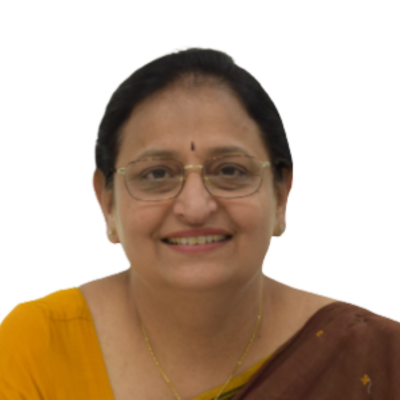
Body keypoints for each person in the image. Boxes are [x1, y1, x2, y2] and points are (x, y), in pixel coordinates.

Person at [0, 48, 399, 400]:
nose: (194, 208)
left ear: (280, 196)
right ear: (107, 203)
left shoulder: (377, 360)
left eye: (230, 170)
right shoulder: (40, 346)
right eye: (157, 174)